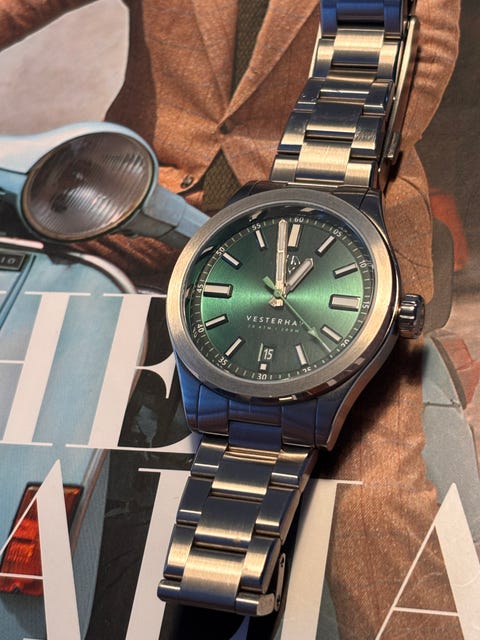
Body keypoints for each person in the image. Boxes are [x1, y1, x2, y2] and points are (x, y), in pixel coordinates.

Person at [0, 1, 463, 637]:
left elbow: (414, 79)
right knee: (28, 443)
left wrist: (289, 205)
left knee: (372, 504)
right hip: (140, 212)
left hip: (327, 244)